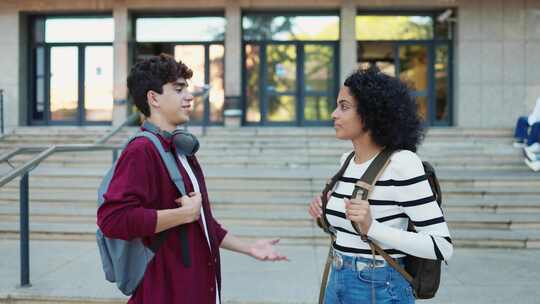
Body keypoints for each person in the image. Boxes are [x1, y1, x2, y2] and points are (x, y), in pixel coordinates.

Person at [97, 54, 287, 304]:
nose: (189, 96)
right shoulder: (142, 150)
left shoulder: (178, 149)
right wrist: (180, 215)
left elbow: (202, 222)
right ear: (153, 98)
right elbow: (112, 219)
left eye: (187, 88)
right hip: (166, 293)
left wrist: (249, 247)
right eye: (178, 89)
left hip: (197, 289)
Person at [308, 67, 453, 304]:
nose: (334, 114)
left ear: (370, 114)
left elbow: (441, 246)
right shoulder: (346, 161)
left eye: (344, 107)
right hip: (336, 279)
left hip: (379, 286)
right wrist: (323, 215)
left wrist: (372, 227)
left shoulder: (402, 163)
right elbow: (349, 234)